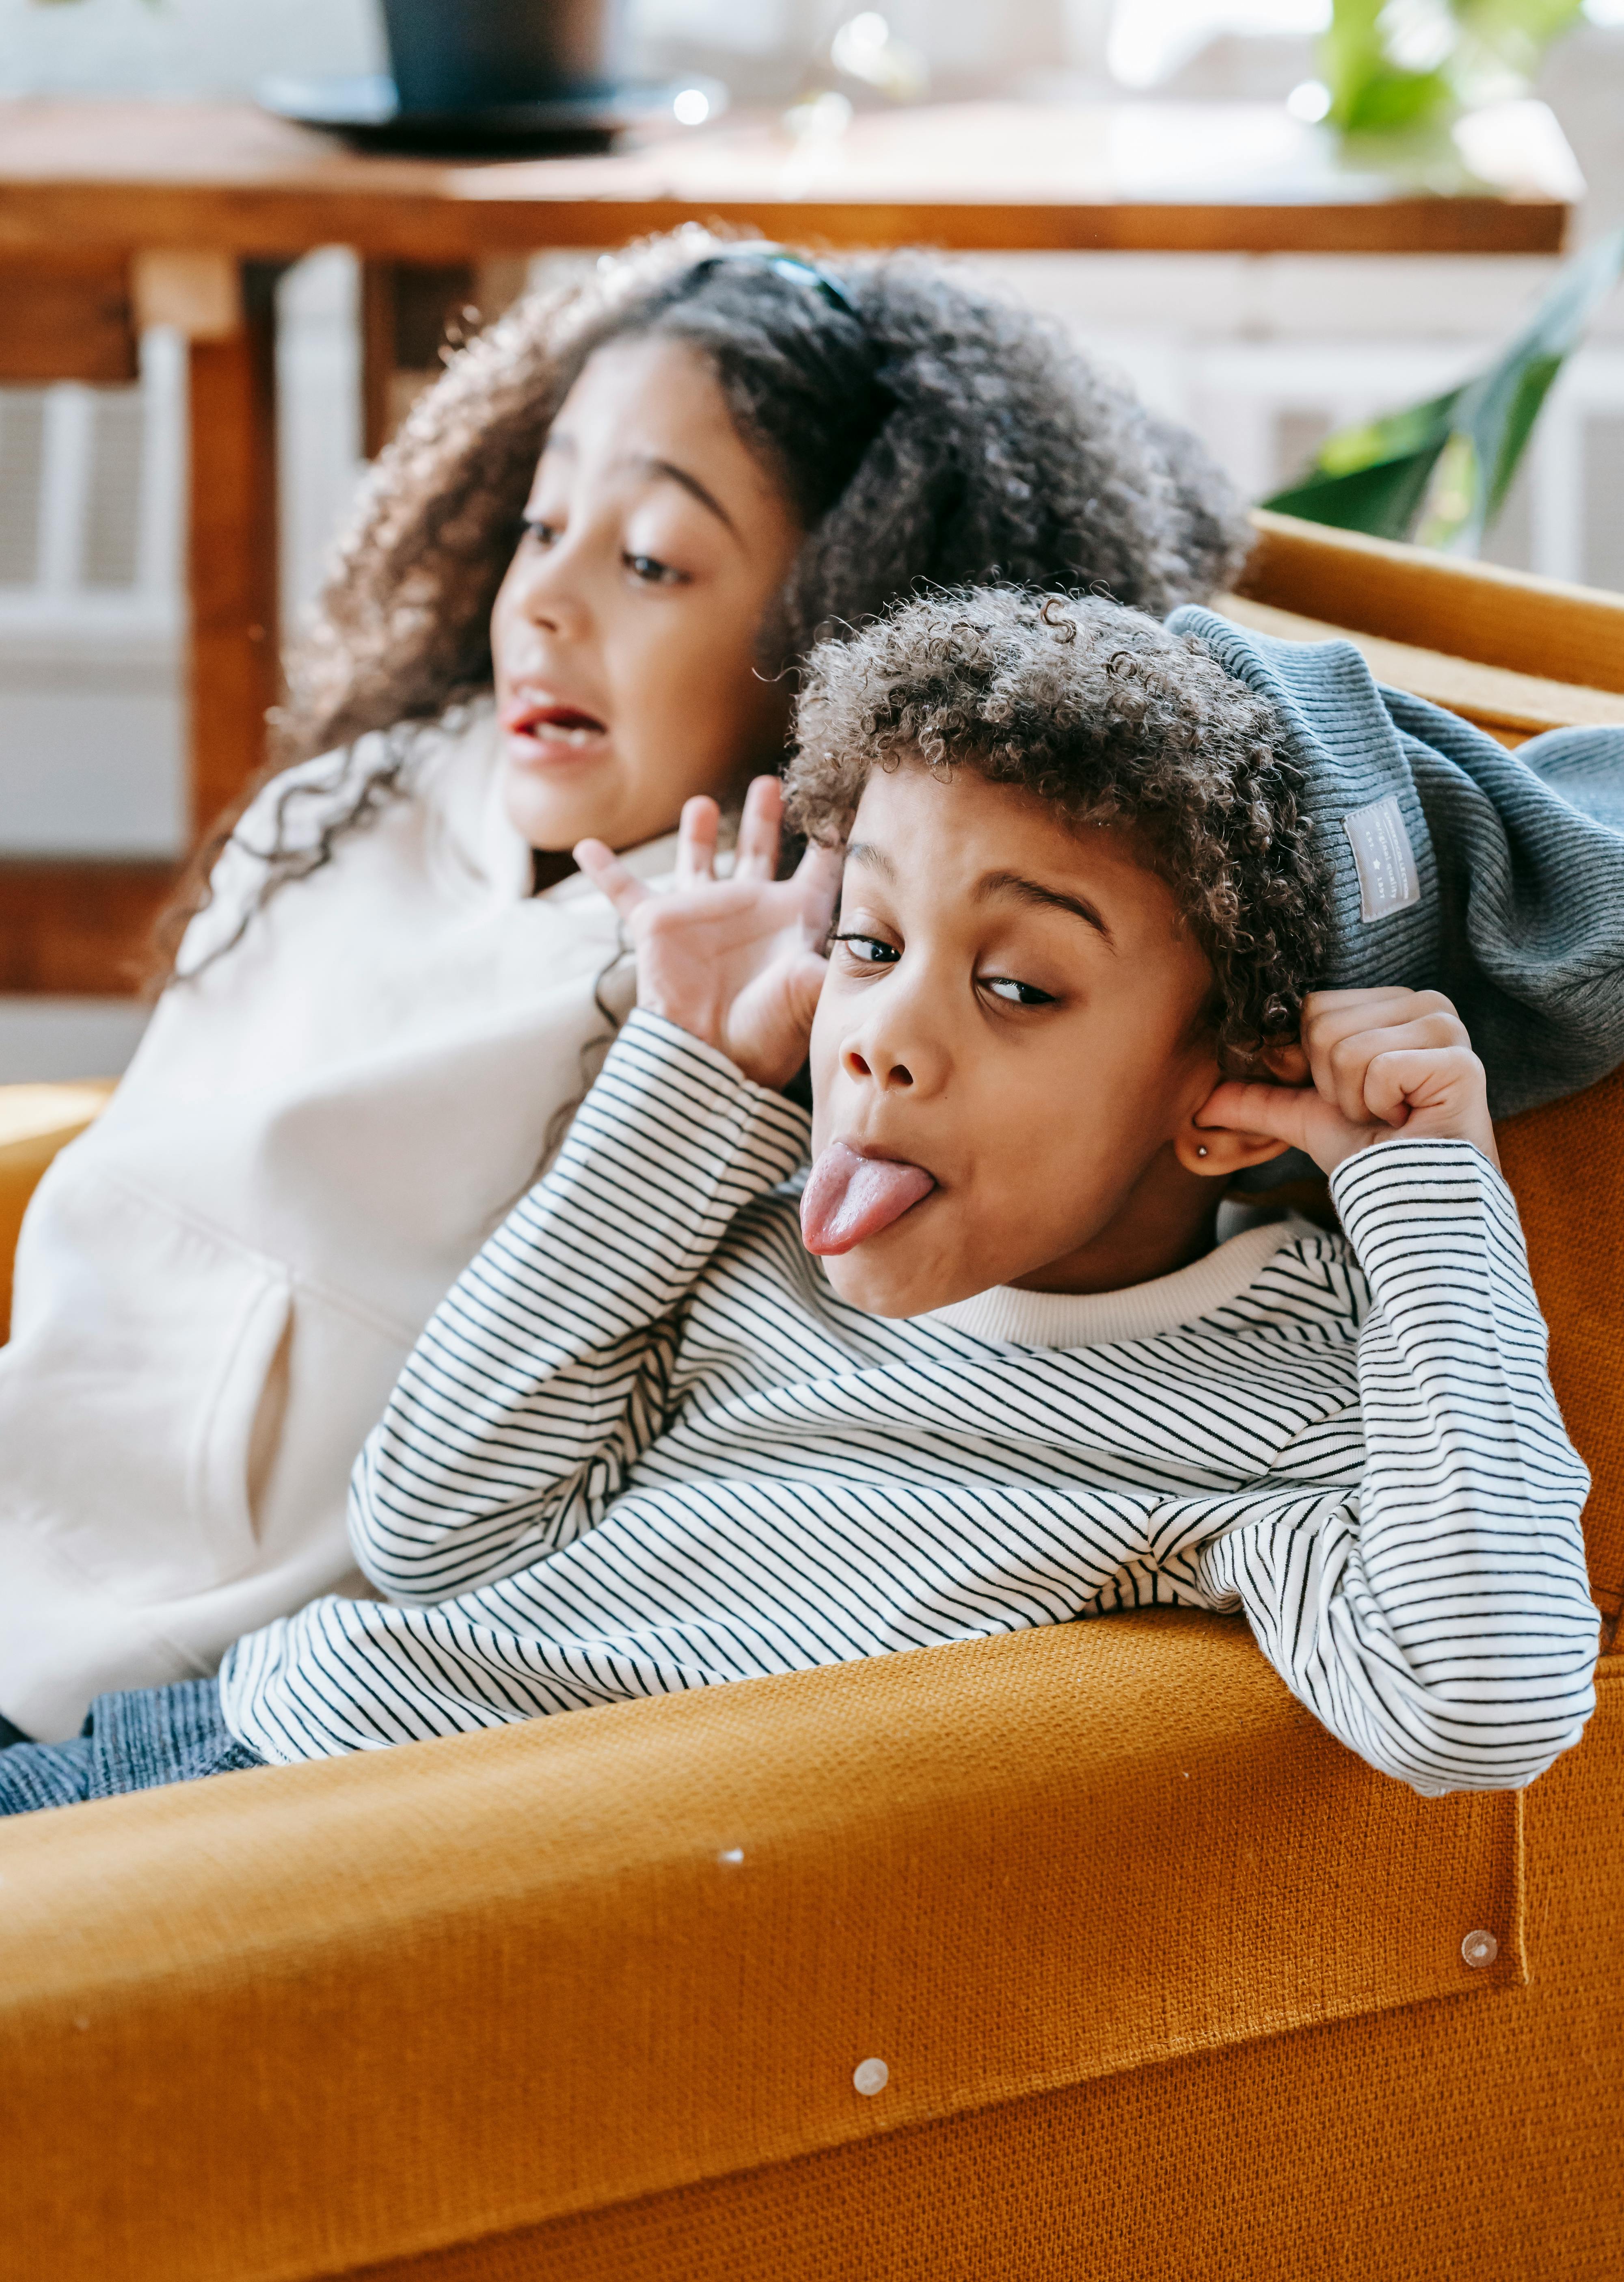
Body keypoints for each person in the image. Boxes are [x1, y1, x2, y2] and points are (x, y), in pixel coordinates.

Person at [1, 588, 1606, 1813]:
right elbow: (433, 1531)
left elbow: (1479, 1704)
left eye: (1021, 988)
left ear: (1224, 1090)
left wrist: (1425, 1199)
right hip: (219, 1733)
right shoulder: (767, 1220)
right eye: (870, 941)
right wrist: (689, 1065)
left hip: (314, 1863)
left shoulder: (1281, 1405)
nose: (888, 1037)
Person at [0, 236, 1251, 1745]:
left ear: (837, 639)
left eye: (653, 560)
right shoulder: (360, 797)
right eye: (541, 524)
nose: (546, 602)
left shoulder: (803, 1009)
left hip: (192, 1682)